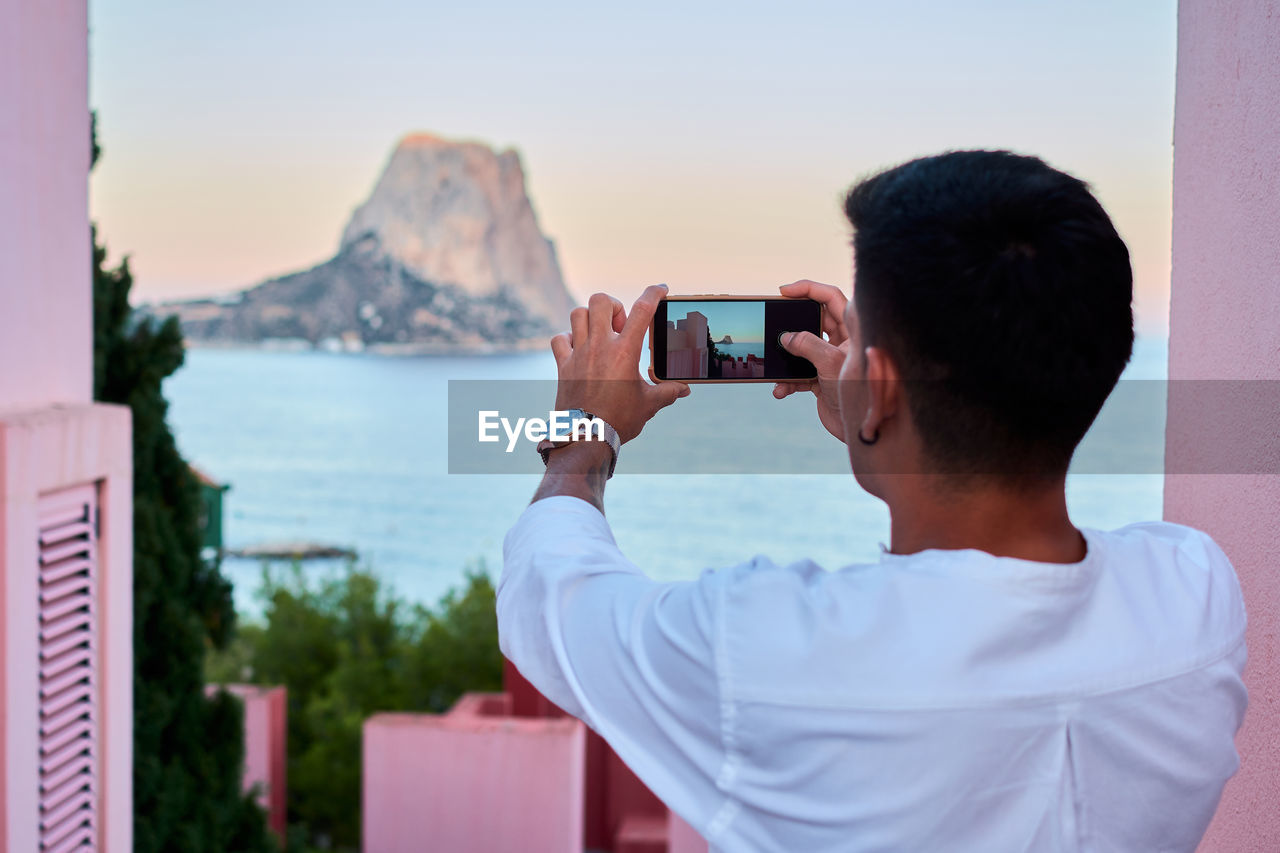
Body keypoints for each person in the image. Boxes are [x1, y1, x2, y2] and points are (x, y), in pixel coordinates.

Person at [497, 151, 1247, 852]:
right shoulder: (1195, 596)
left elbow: (547, 600)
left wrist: (582, 433)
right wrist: (878, 417)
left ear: (881, 384)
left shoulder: (765, 646)